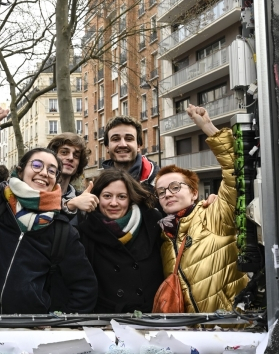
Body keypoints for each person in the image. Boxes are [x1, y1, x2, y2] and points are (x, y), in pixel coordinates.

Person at [0, 105, 98, 315]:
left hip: (27, 334)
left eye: (52, 170)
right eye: (37, 165)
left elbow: (86, 288)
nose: (44, 173)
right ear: (21, 171)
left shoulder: (61, 230)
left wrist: (57, 324)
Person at [155, 104, 248, 314]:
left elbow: (236, 171)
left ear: (194, 193)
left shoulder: (213, 215)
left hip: (232, 329)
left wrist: (208, 128)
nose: (168, 194)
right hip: (193, 337)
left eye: (175, 187)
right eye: (161, 192)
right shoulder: (164, 238)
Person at [78, 169, 164, 313]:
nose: (114, 203)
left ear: (131, 198)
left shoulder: (152, 222)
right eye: (107, 196)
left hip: (149, 319)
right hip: (105, 322)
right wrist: (70, 206)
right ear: (96, 198)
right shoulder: (85, 230)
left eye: (122, 197)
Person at [47, 132, 99, 221]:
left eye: (76, 155)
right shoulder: (37, 192)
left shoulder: (83, 201)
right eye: (64, 152)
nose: (70, 158)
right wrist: (69, 205)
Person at [102, 115, 158, 192]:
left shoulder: (160, 184)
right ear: (107, 147)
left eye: (129, 139)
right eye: (115, 139)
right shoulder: (99, 186)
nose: (122, 144)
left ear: (138, 145)